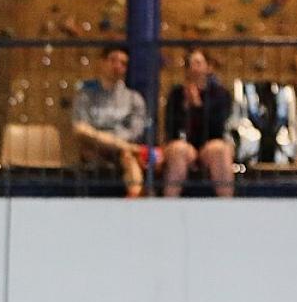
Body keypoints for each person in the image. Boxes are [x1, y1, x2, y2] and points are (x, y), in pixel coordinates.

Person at [71, 44, 149, 197]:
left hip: (122, 151)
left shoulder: (134, 98)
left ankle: (135, 200)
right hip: (94, 148)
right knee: (81, 131)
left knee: (128, 155)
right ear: (102, 62)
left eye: (123, 63)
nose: (117, 66)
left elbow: (136, 132)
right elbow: (80, 128)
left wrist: (115, 143)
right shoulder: (85, 96)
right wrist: (107, 140)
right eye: (113, 60)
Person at [160, 47, 236, 198]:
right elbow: (171, 128)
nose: (194, 68)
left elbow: (217, 126)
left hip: (210, 143)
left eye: (198, 63)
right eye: (190, 64)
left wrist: (198, 106)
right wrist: (184, 108)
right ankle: (169, 203)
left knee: (219, 150)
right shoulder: (176, 94)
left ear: (208, 67)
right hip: (184, 144)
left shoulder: (220, 94)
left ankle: (227, 203)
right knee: (178, 150)